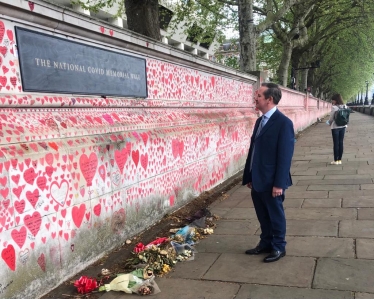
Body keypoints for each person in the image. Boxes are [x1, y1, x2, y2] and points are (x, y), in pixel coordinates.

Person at [242, 82, 295, 263]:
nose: (255, 98)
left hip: (273, 181)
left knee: (275, 215)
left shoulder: (283, 123)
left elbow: (285, 156)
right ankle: (265, 243)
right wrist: (249, 176)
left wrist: (279, 183)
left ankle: (279, 247)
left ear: (269, 99)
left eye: (258, 95)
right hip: (257, 179)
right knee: (262, 214)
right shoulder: (260, 121)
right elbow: (254, 151)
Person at [327, 94, 347, 165]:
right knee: (341, 142)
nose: (332, 101)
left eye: (333, 100)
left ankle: (335, 160)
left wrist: (329, 123)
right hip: (343, 126)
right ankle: (339, 160)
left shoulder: (334, 107)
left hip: (335, 127)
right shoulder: (344, 106)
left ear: (335, 100)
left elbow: (331, 118)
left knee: (336, 143)